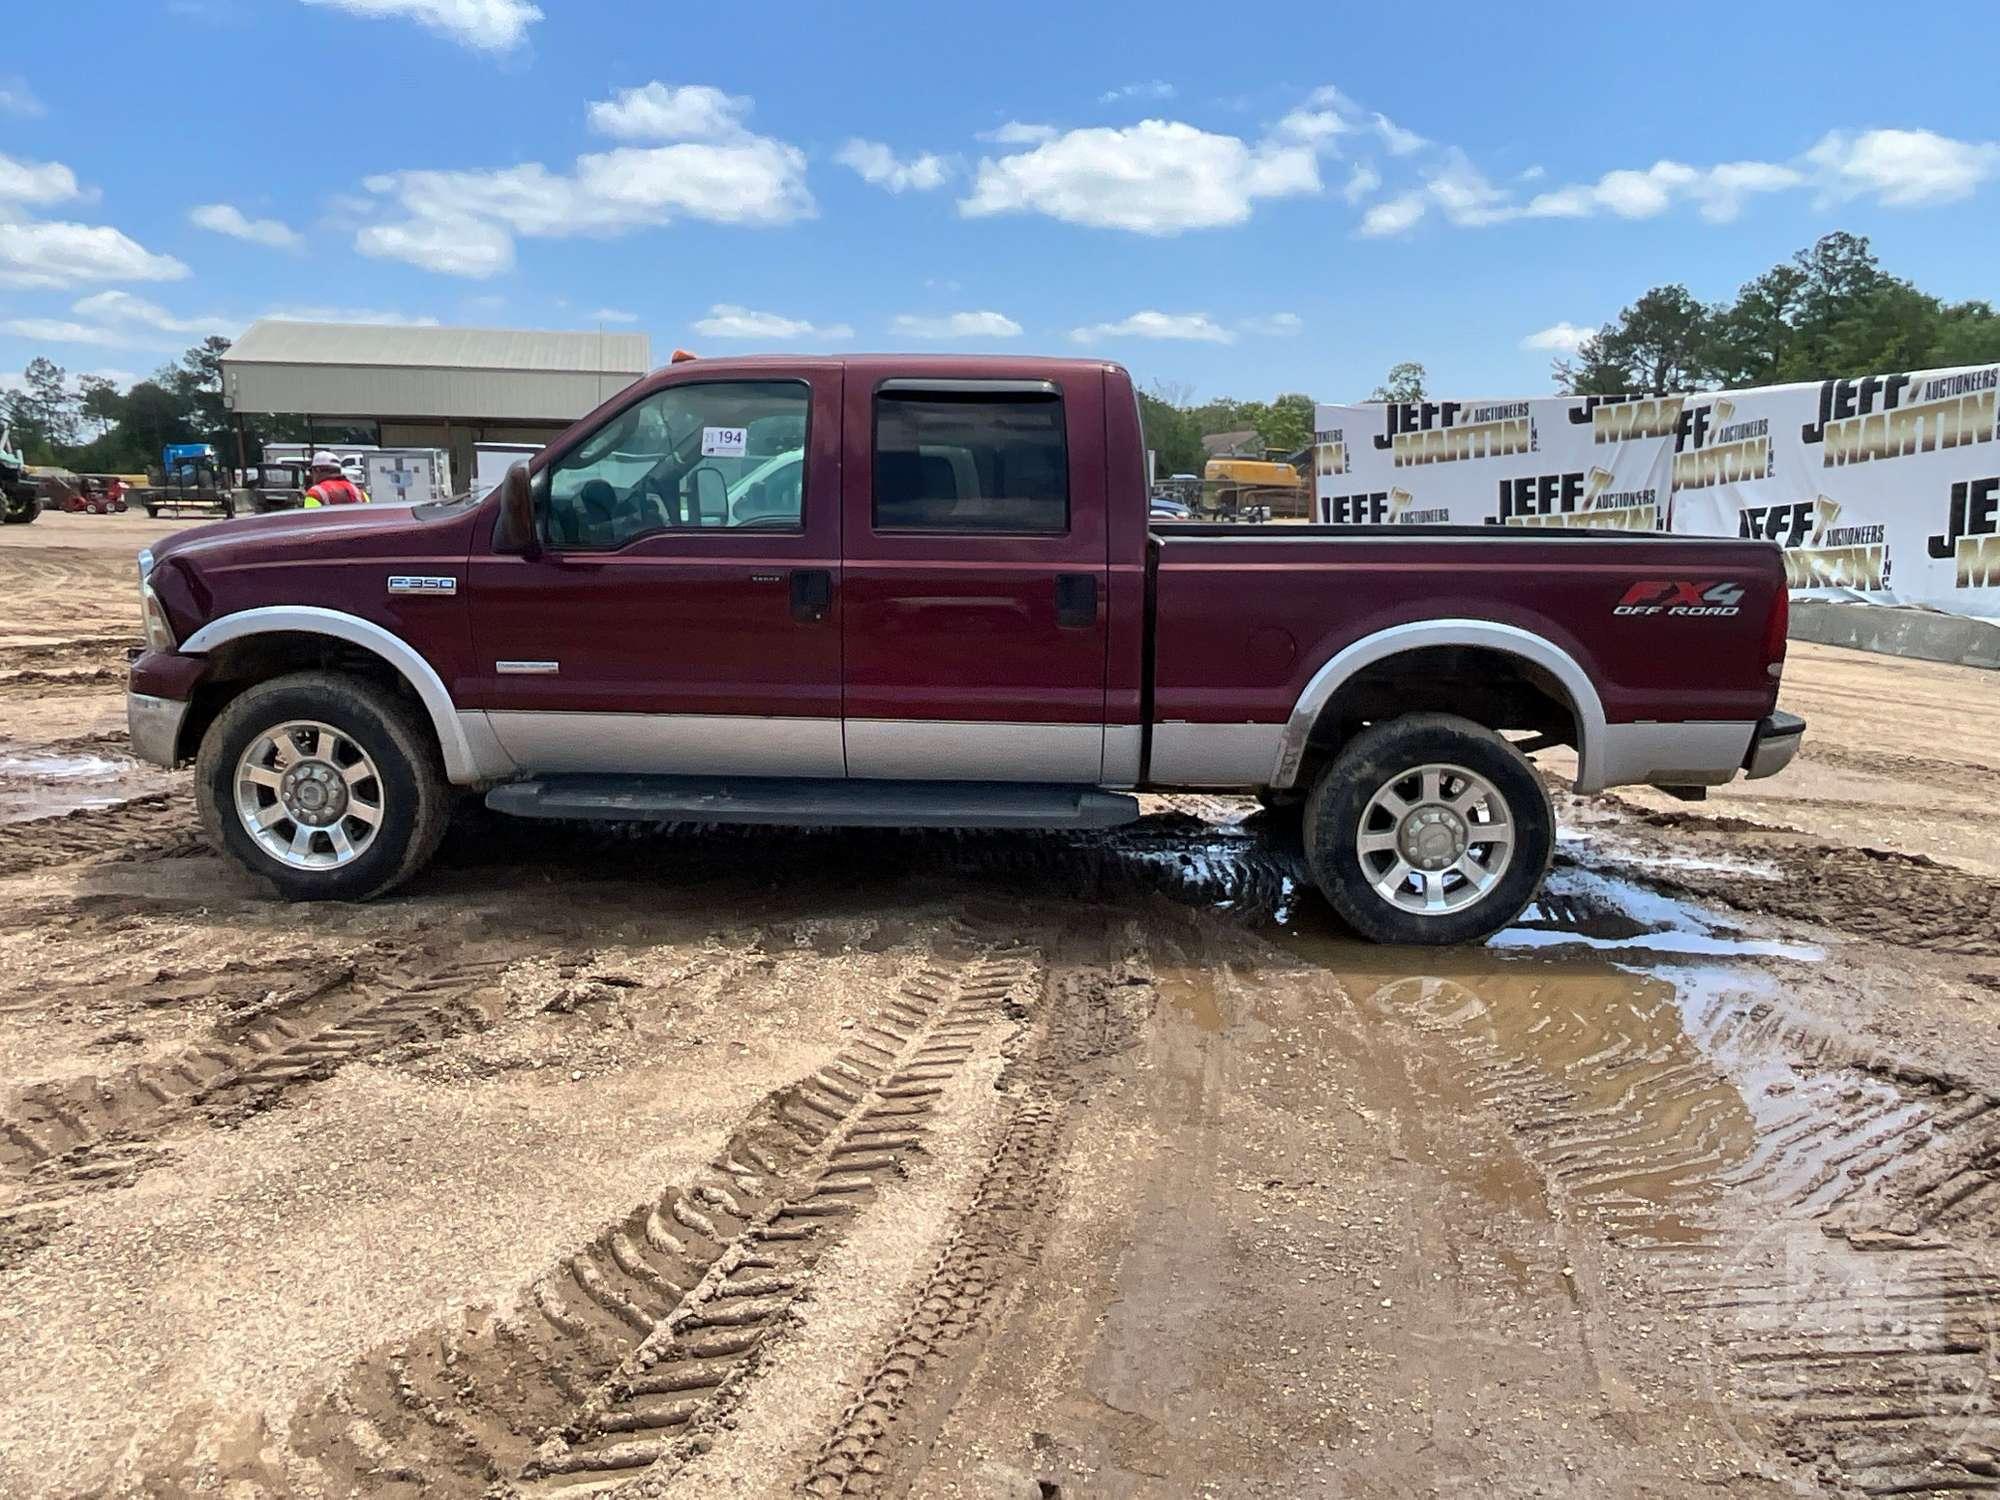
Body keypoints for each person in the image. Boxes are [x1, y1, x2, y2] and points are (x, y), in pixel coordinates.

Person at [302, 452, 369, 508]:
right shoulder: (359, 493)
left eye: (311, 471)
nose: (311, 475)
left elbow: (311, 520)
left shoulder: (315, 493)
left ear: (318, 470)